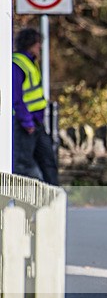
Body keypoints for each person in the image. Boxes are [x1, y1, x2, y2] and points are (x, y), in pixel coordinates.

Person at [12, 28, 58, 185]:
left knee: (48, 161)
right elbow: (16, 96)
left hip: (37, 122)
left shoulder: (31, 62)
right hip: (25, 123)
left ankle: (54, 198)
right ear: (30, 44)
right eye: (38, 43)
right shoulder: (18, 64)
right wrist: (26, 121)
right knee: (24, 165)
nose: (40, 47)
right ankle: (30, 202)